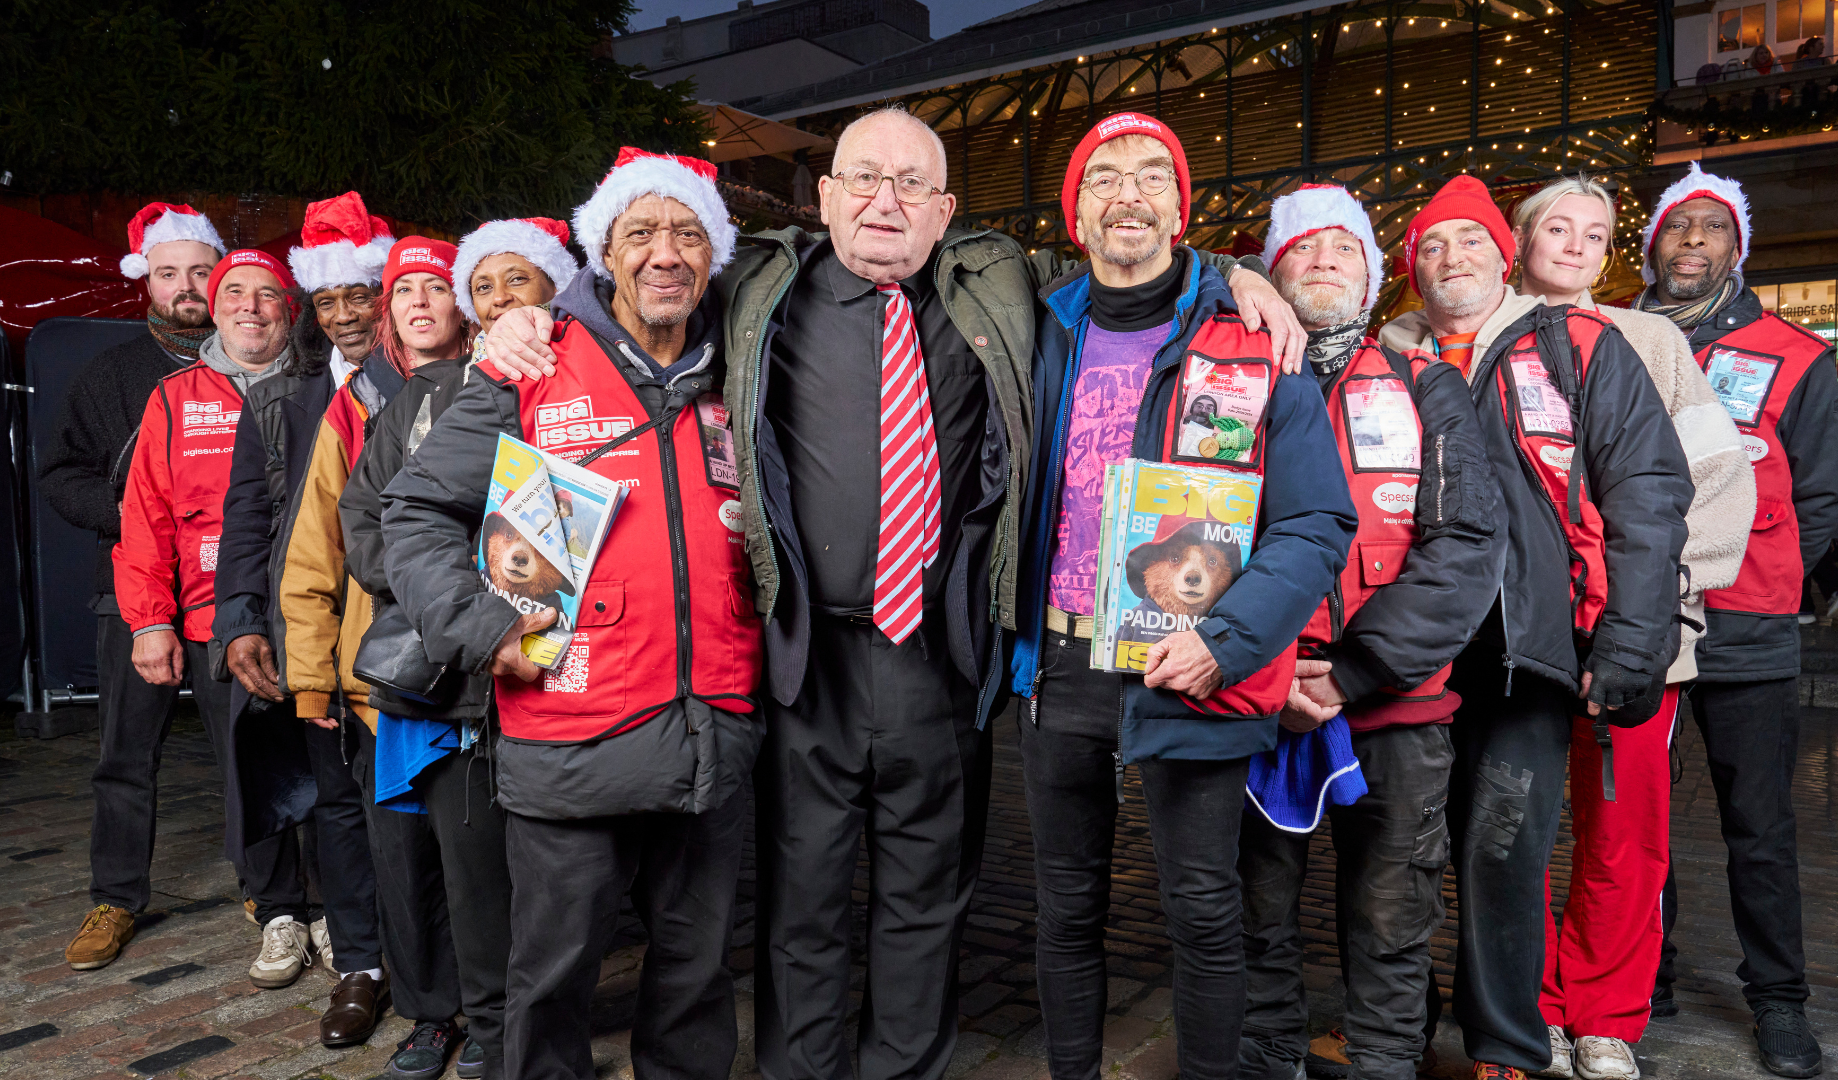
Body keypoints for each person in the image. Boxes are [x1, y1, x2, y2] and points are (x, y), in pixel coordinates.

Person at [479, 112, 1304, 1080]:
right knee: (803, 904)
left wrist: (1236, 278)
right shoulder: (757, 289)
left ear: (946, 210)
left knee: (925, 904)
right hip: (805, 663)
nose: (885, 200)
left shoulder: (998, 283)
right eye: (863, 178)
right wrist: (542, 310)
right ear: (824, 197)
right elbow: (649, 282)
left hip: (937, 661)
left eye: (912, 185)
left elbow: (1129, 253)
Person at [383, 148, 766, 1080]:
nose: (664, 254)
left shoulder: (742, 361)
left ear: (715, 253)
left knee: (695, 977)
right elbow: (415, 509)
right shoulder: (536, 358)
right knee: (549, 984)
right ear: (602, 252)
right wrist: (482, 630)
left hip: (712, 729)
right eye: (639, 233)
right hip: (570, 731)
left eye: (687, 233)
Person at [1007, 114, 1356, 1080]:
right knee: (1065, 904)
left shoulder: (1250, 336)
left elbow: (1317, 522)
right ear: (1075, 214)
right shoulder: (1038, 328)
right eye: (1104, 177)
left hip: (1192, 659)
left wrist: (1232, 644)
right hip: (1061, 660)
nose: (1130, 193)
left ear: (1181, 204)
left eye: (1153, 175)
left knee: (1204, 906)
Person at [1376, 175, 1693, 1080]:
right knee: (1394, 849)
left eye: (1471, 240)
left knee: (1501, 847)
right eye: (1433, 245)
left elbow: (1648, 490)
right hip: (1410, 649)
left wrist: (1637, 633)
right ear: (1412, 270)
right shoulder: (1387, 361)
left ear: (1503, 253)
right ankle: (1393, 1029)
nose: (1453, 257)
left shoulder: (1581, 345)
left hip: (1525, 652)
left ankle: (1507, 1048)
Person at [1236, 184, 1501, 1080]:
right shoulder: (1231, 380)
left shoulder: (1428, 386)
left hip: (1393, 697)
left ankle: (1386, 1062)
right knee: (1252, 906)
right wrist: (1261, 666)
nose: (1321, 260)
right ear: (1273, 271)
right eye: (1301, 248)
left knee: (1393, 911)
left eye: (1342, 248)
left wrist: (1355, 670)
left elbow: (1466, 542)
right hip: (1254, 695)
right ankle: (1269, 1056)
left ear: (1373, 275)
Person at [1512, 176, 1756, 1080]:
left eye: (1596, 232)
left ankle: (1606, 1016)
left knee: (1624, 835)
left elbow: (1721, 486)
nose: (1575, 245)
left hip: (1639, 634)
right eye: (1557, 228)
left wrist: (1656, 607)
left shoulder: (1647, 340)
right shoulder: (1467, 339)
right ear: (1523, 239)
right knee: (1513, 833)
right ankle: (1527, 1007)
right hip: (1511, 646)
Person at [1637, 162, 1838, 1080]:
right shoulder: (1618, 341)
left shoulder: (1795, 354)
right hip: (1637, 619)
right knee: (1639, 818)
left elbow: (1822, 497)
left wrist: (1755, 573)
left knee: (1757, 826)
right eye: (1676, 228)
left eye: (1711, 228)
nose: (1692, 242)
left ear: (1737, 245)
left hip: (1747, 628)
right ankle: (1648, 979)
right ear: (1650, 246)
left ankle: (1779, 1001)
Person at [338, 227, 561, 1080]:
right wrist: (457, 588)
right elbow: (368, 524)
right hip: (447, 676)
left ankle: (518, 1025)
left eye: (521, 280)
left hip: (554, 659)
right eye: (488, 285)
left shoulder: (587, 383)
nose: (503, 298)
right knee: (451, 858)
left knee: (535, 864)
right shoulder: (418, 397)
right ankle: (452, 1019)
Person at [100, 247, 319, 986]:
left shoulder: (324, 387)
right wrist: (149, 621)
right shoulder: (174, 397)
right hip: (212, 620)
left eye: (267, 295)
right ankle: (279, 906)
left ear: (289, 310)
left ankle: (338, 907)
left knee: (330, 761)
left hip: (316, 611)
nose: (250, 307)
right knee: (250, 770)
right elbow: (145, 519)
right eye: (235, 294)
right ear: (217, 309)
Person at [212, 196, 401, 1028]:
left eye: (363, 293)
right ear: (313, 312)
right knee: (334, 802)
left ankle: (431, 959)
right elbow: (248, 519)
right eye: (330, 301)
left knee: (412, 802)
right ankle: (359, 964)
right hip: (314, 631)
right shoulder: (282, 403)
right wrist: (242, 619)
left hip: (409, 633)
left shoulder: (432, 382)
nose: (349, 313)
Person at [53, 204, 238, 971]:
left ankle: (271, 889)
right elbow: (61, 475)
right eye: (171, 274)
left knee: (247, 749)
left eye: (202, 271)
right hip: (132, 597)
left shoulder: (258, 363)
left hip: (231, 592)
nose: (188, 287)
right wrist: (127, 513)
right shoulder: (113, 375)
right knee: (126, 754)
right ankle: (116, 896)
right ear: (148, 284)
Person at [288, 189, 392, 385]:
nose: (344, 317)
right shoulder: (282, 396)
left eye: (359, 298)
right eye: (326, 303)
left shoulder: (433, 383)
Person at [452, 216, 578, 337]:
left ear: (556, 285)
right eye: (484, 287)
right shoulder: (473, 359)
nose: (499, 298)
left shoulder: (591, 348)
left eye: (517, 279)